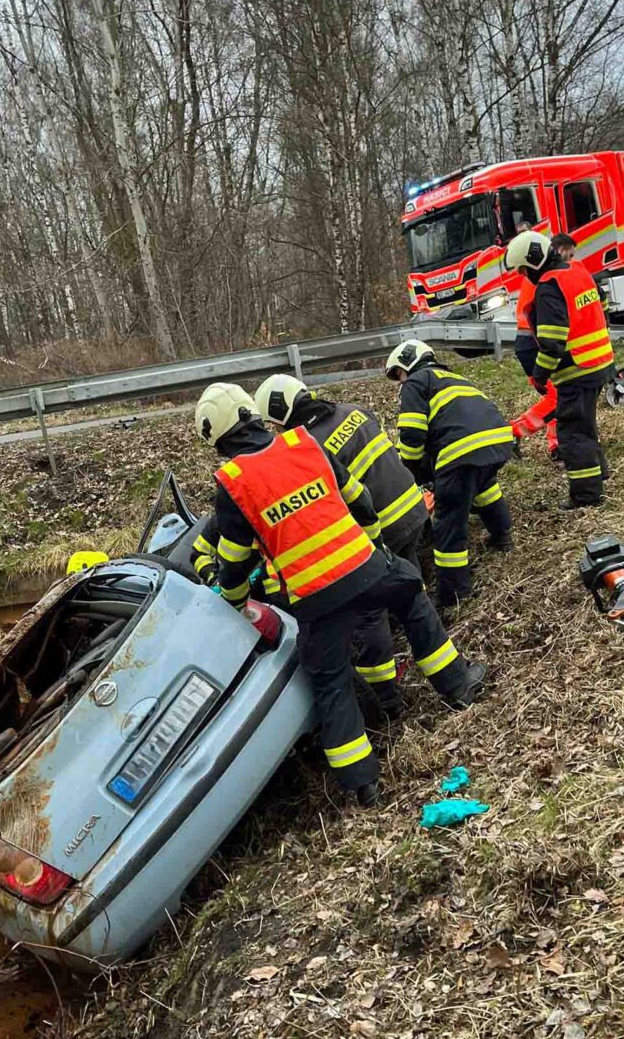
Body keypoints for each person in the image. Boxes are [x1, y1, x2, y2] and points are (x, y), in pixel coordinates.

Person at [194, 382, 486, 808]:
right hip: (365, 569)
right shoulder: (304, 443)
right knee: (411, 598)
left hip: (315, 600)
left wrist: (237, 604)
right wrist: (374, 548)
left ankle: (362, 784)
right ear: (251, 415)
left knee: (331, 682)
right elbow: (360, 499)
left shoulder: (233, 482)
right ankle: (458, 686)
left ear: (217, 437)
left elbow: (233, 563)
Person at [253, 375, 429, 716]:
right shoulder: (354, 410)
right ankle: (420, 629)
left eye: (275, 425)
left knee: (370, 612)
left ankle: (386, 700)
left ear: (282, 413)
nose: (276, 433)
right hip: (413, 507)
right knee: (409, 583)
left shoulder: (309, 448)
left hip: (381, 525)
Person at [384, 341, 514, 612]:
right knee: (484, 486)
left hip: (461, 451)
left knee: (449, 520)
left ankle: (454, 593)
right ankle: (502, 536)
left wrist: (407, 471)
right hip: (499, 441)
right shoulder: (454, 377)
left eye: (398, 374)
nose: (399, 381)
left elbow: (411, 435)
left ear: (408, 362)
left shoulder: (416, 382)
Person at [506, 231, 614, 510]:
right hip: (600, 361)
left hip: (576, 368)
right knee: (585, 425)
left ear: (534, 260)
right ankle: (600, 472)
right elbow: (600, 305)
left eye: (523, 270)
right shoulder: (577, 270)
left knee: (572, 434)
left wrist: (540, 375)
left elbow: (553, 343)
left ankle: (586, 496)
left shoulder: (548, 285)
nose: (524, 275)